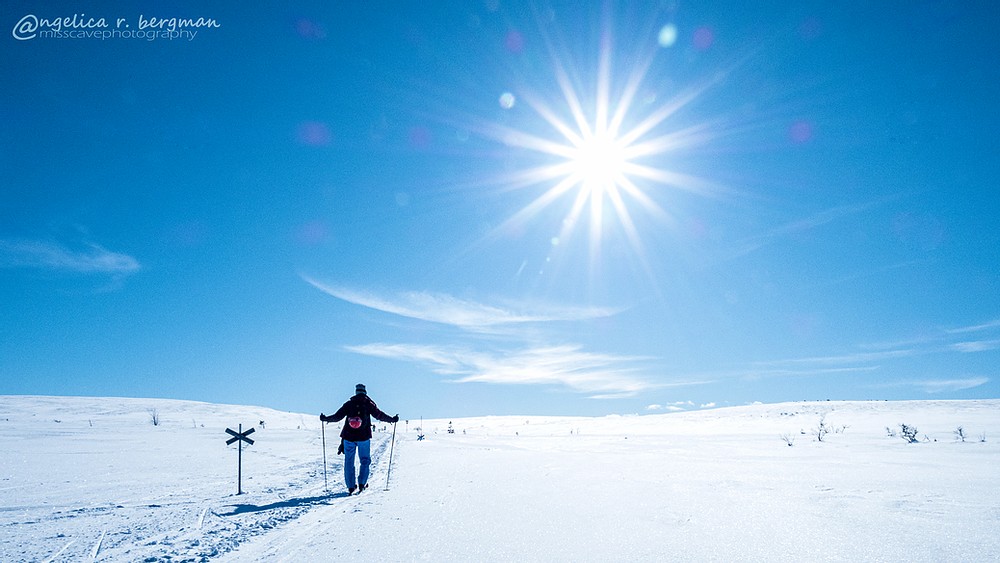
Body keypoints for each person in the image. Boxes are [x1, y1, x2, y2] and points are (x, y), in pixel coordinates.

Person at [320, 383, 399, 494]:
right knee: (365, 460)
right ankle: (362, 484)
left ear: (356, 392)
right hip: (364, 437)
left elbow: (337, 416)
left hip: (348, 437)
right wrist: (392, 419)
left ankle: (351, 487)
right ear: (365, 392)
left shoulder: (349, 404)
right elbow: (379, 415)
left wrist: (325, 418)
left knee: (349, 461)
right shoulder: (368, 404)